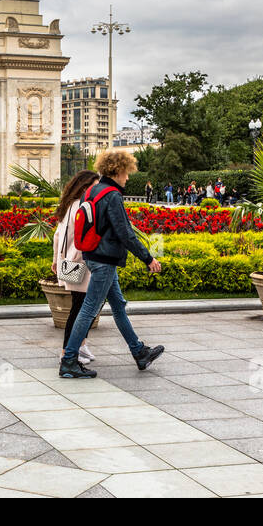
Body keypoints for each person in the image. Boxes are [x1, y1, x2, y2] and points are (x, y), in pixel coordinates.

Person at [60, 149, 165, 379]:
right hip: (104, 260)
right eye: (126, 173)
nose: (127, 178)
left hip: (93, 256)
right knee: (88, 310)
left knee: (118, 306)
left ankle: (139, 352)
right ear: (117, 171)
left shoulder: (92, 191)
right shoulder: (112, 195)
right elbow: (125, 233)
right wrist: (148, 258)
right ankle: (68, 360)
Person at [52, 170, 100, 366]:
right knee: (80, 309)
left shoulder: (68, 206)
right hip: (79, 263)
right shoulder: (82, 207)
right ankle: (67, 350)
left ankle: (80, 344)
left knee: (81, 307)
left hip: (68, 262)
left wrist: (56, 260)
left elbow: (57, 236)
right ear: (84, 187)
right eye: (94, 186)